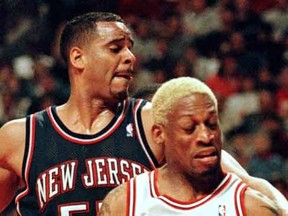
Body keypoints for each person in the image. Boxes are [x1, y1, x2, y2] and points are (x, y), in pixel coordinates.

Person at [0, 12, 287, 215]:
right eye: (115, 48)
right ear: (78, 58)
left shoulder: (153, 121)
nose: (130, 57)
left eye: (130, 48)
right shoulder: (22, 137)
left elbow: (246, 184)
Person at [100, 77, 280, 216]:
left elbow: (252, 183)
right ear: (158, 133)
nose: (205, 136)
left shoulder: (248, 203)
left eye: (211, 124)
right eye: (189, 128)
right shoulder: (125, 200)